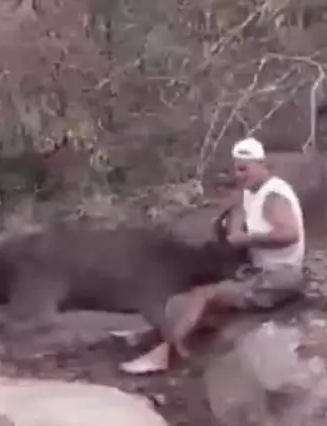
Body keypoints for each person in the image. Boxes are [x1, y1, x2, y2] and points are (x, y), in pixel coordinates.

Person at [120, 136, 306, 375]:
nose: (239, 174)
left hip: (279, 277)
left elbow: (289, 233)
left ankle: (163, 355)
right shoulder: (253, 190)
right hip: (259, 270)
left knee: (204, 296)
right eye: (236, 169)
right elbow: (238, 209)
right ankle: (155, 335)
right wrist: (235, 228)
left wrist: (246, 238)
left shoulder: (274, 196)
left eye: (244, 168)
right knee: (193, 288)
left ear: (261, 164)